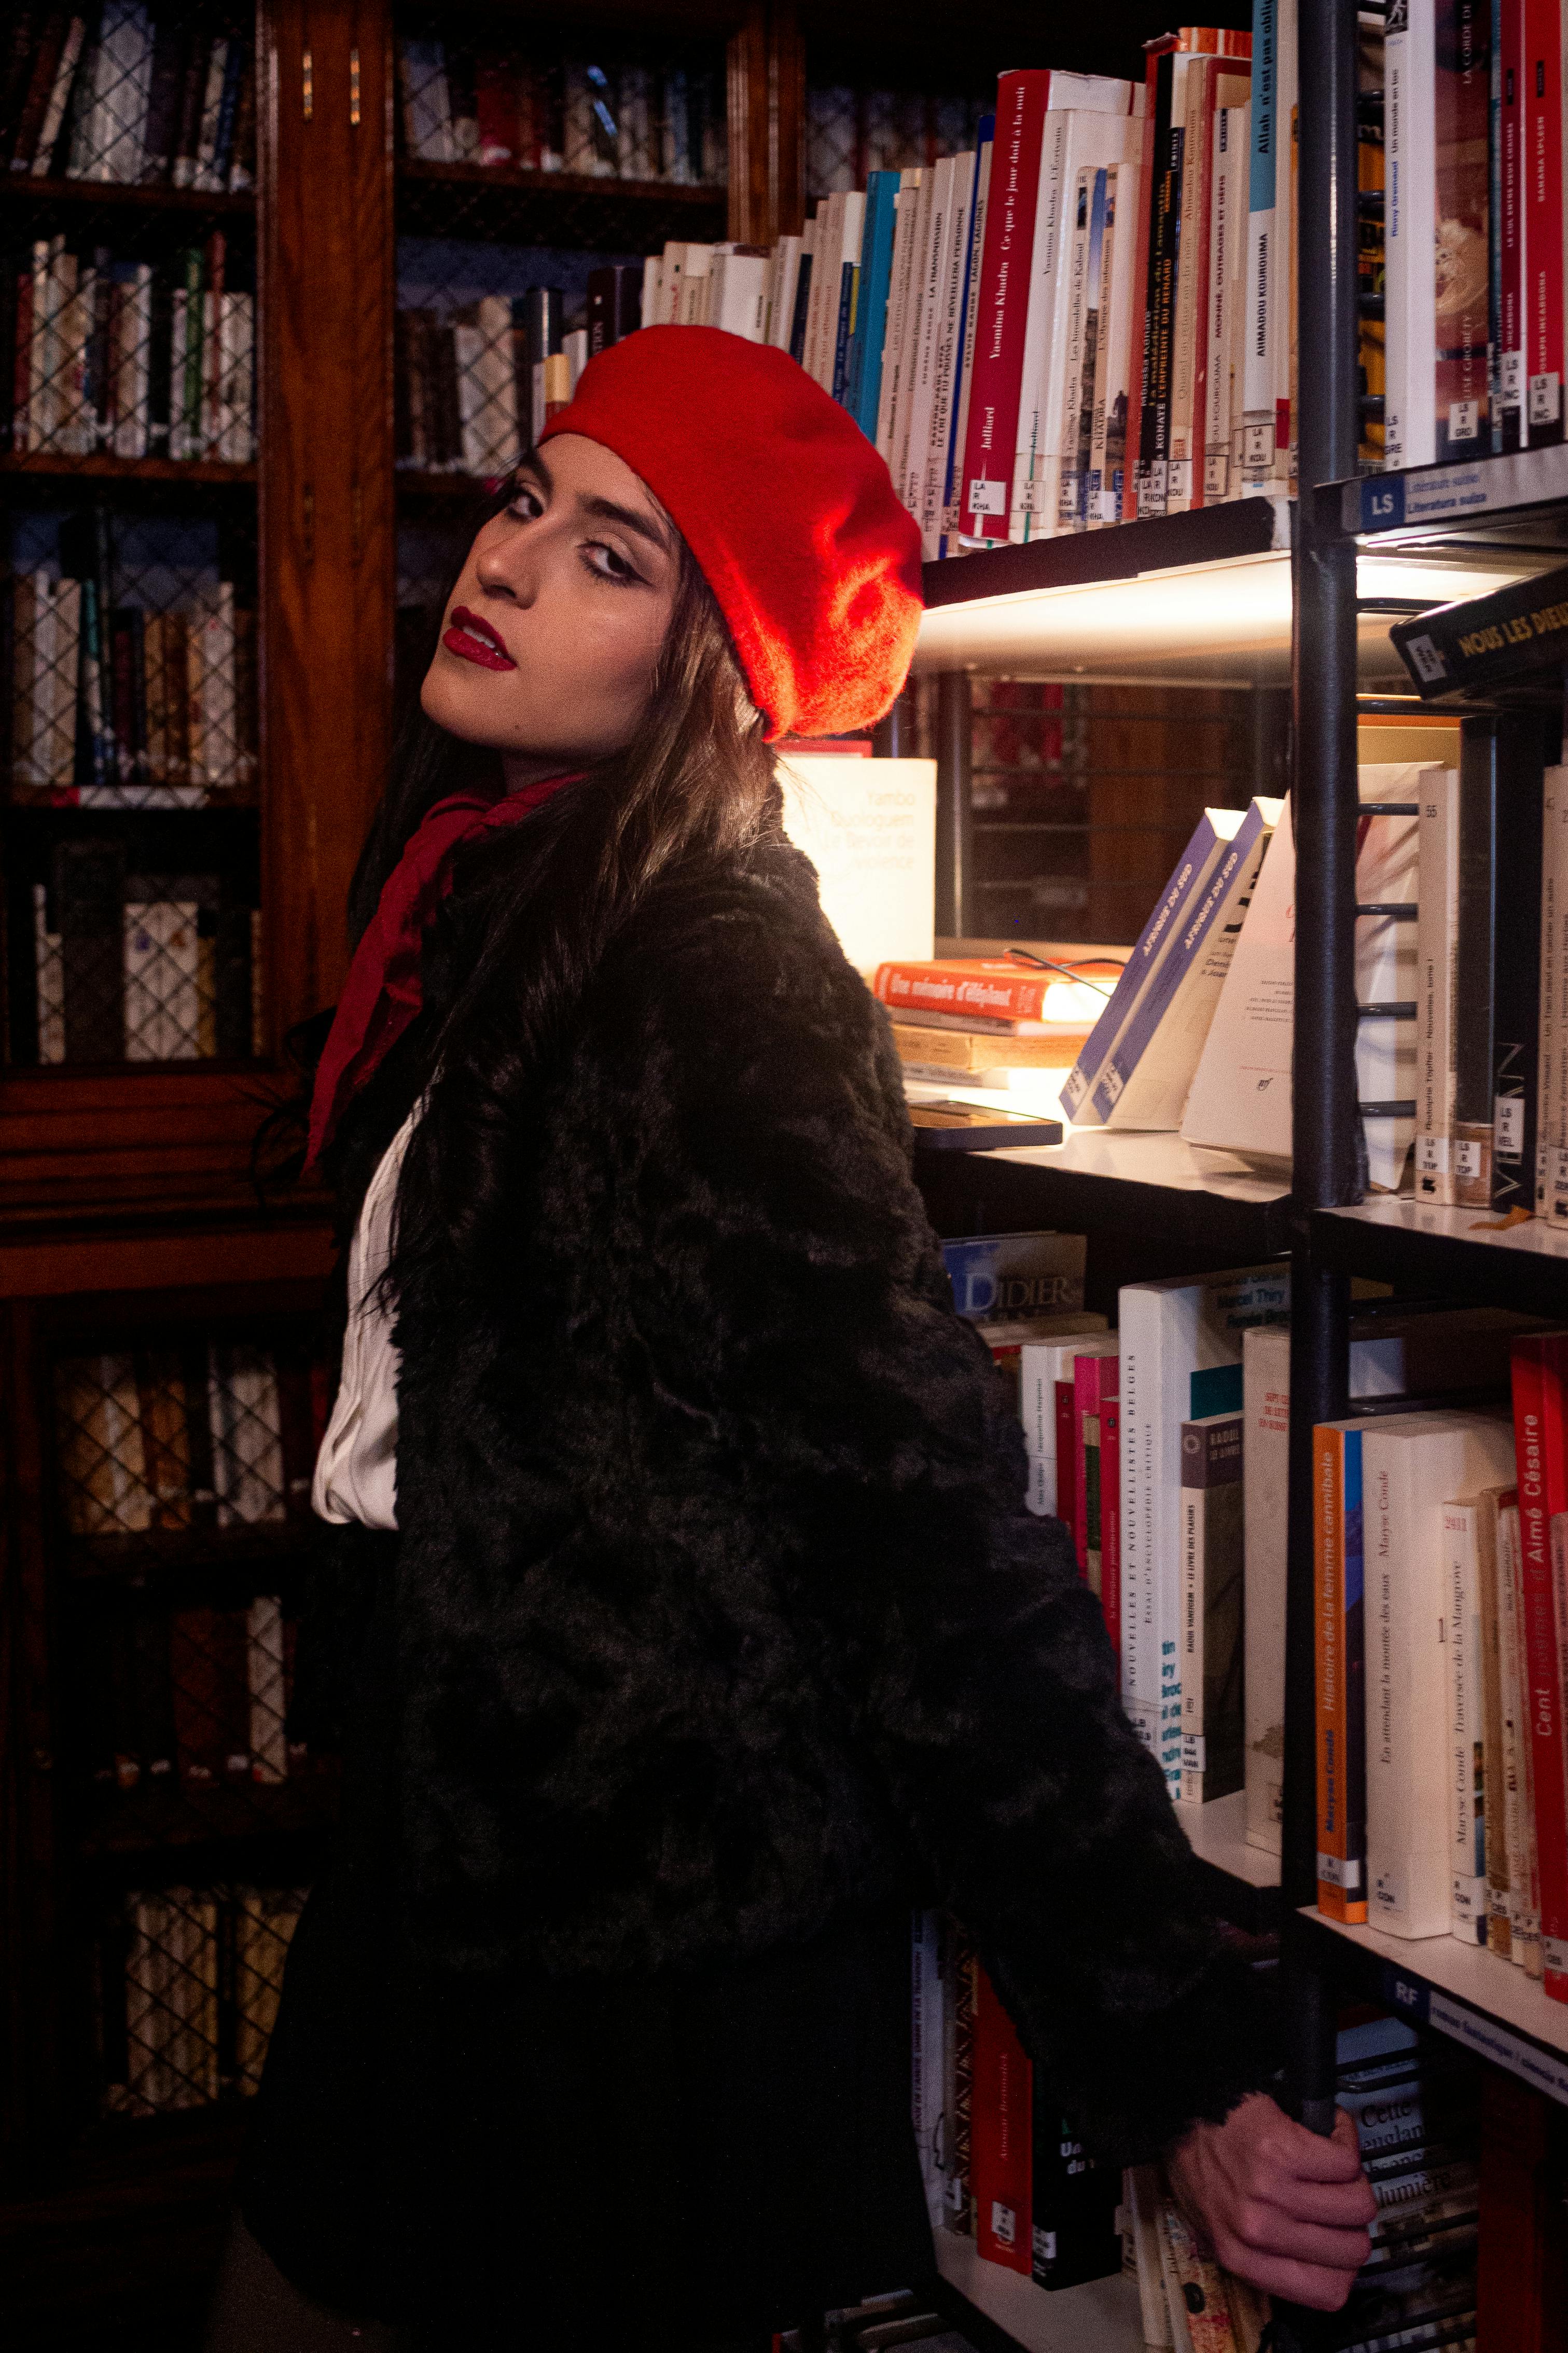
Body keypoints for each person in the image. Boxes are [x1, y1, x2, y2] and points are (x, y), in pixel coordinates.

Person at [207, 328, 1375, 2352]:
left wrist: (1172, 2059)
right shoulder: (492, 910)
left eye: (615, 557)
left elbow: (926, 1534)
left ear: (708, 666)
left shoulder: (720, 978)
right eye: (525, 507)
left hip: (634, 1961)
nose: (509, 566)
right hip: (443, 1867)